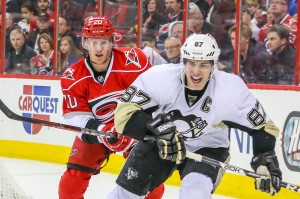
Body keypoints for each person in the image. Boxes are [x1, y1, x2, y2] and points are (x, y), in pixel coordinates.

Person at [107, 33, 282, 198]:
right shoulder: (159, 78)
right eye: (191, 63)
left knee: (195, 194)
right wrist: (157, 132)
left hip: (207, 148)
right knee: (123, 195)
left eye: (203, 64)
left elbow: (263, 127)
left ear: (213, 66)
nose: (196, 72)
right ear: (183, 62)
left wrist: (263, 158)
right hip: (160, 142)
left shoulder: (230, 89)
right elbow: (124, 114)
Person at [58, 16, 164, 199]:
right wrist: (102, 131)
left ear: (113, 41)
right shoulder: (73, 77)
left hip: (135, 129)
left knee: (152, 187)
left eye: (104, 43)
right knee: (70, 187)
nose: (98, 48)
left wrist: (136, 132)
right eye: (93, 42)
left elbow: (155, 99)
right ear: (85, 43)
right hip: (99, 131)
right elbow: (77, 119)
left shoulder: (134, 62)